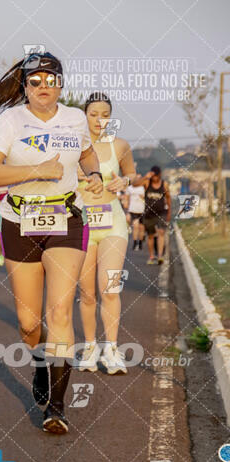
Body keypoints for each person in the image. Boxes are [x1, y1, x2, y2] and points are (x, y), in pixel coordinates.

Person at [0, 52, 103, 434]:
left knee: (60, 313)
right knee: (30, 324)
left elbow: (86, 152)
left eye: (51, 80)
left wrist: (94, 172)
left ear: (61, 84)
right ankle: (39, 359)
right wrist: (37, 169)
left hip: (66, 218)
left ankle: (56, 407)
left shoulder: (75, 118)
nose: (43, 87)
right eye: (35, 81)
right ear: (25, 87)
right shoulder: (10, 120)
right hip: (19, 220)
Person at [77, 92, 140, 374]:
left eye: (104, 114)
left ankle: (112, 349)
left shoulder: (121, 145)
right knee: (87, 292)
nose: (99, 119)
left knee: (110, 287)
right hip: (81, 223)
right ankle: (90, 347)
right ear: (84, 116)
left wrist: (124, 181)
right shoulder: (73, 146)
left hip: (113, 222)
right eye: (93, 114)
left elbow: (133, 176)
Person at [138, 166, 171, 265]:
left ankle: (160, 256)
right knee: (150, 236)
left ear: (159, 175)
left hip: (161, 213)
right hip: (149, 214)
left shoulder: (164, 185)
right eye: (153, 176)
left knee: (161, 232)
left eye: (156, 176)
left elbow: (168, 198)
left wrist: (169, 212)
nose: (154, 178)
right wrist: (145, 177)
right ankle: (152, 256)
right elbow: (135, 184)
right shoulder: (147, 183)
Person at [125, 182, 145, 250]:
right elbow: (127, 198)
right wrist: (127, 209)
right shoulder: (130, 188)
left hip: (142, 210)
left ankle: (140, 242)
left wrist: (143, 198)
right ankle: (135, 242)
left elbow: (147, 199)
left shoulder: (143, 188)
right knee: (135, 226)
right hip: (133, 210)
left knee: (141, 228)